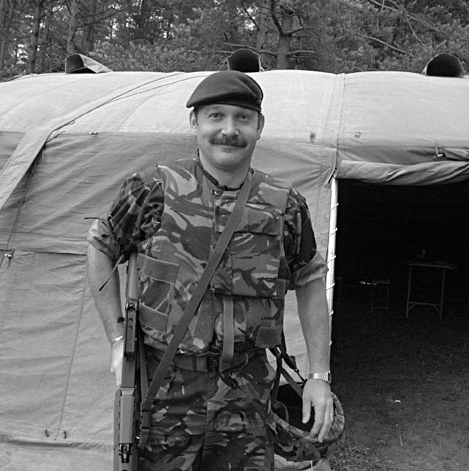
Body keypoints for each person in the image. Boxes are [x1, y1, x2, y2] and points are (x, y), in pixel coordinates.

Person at [87, 70, 333, 470]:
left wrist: (318, 376)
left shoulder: (284, 205)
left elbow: (309, 279)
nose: (229, 130)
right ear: (195, 122)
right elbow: (101, 245)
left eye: (242, 118)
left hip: (247, 393)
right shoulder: (153, 189)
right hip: (163, 390)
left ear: (259, 126)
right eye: (216, 116)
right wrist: (117, 340)